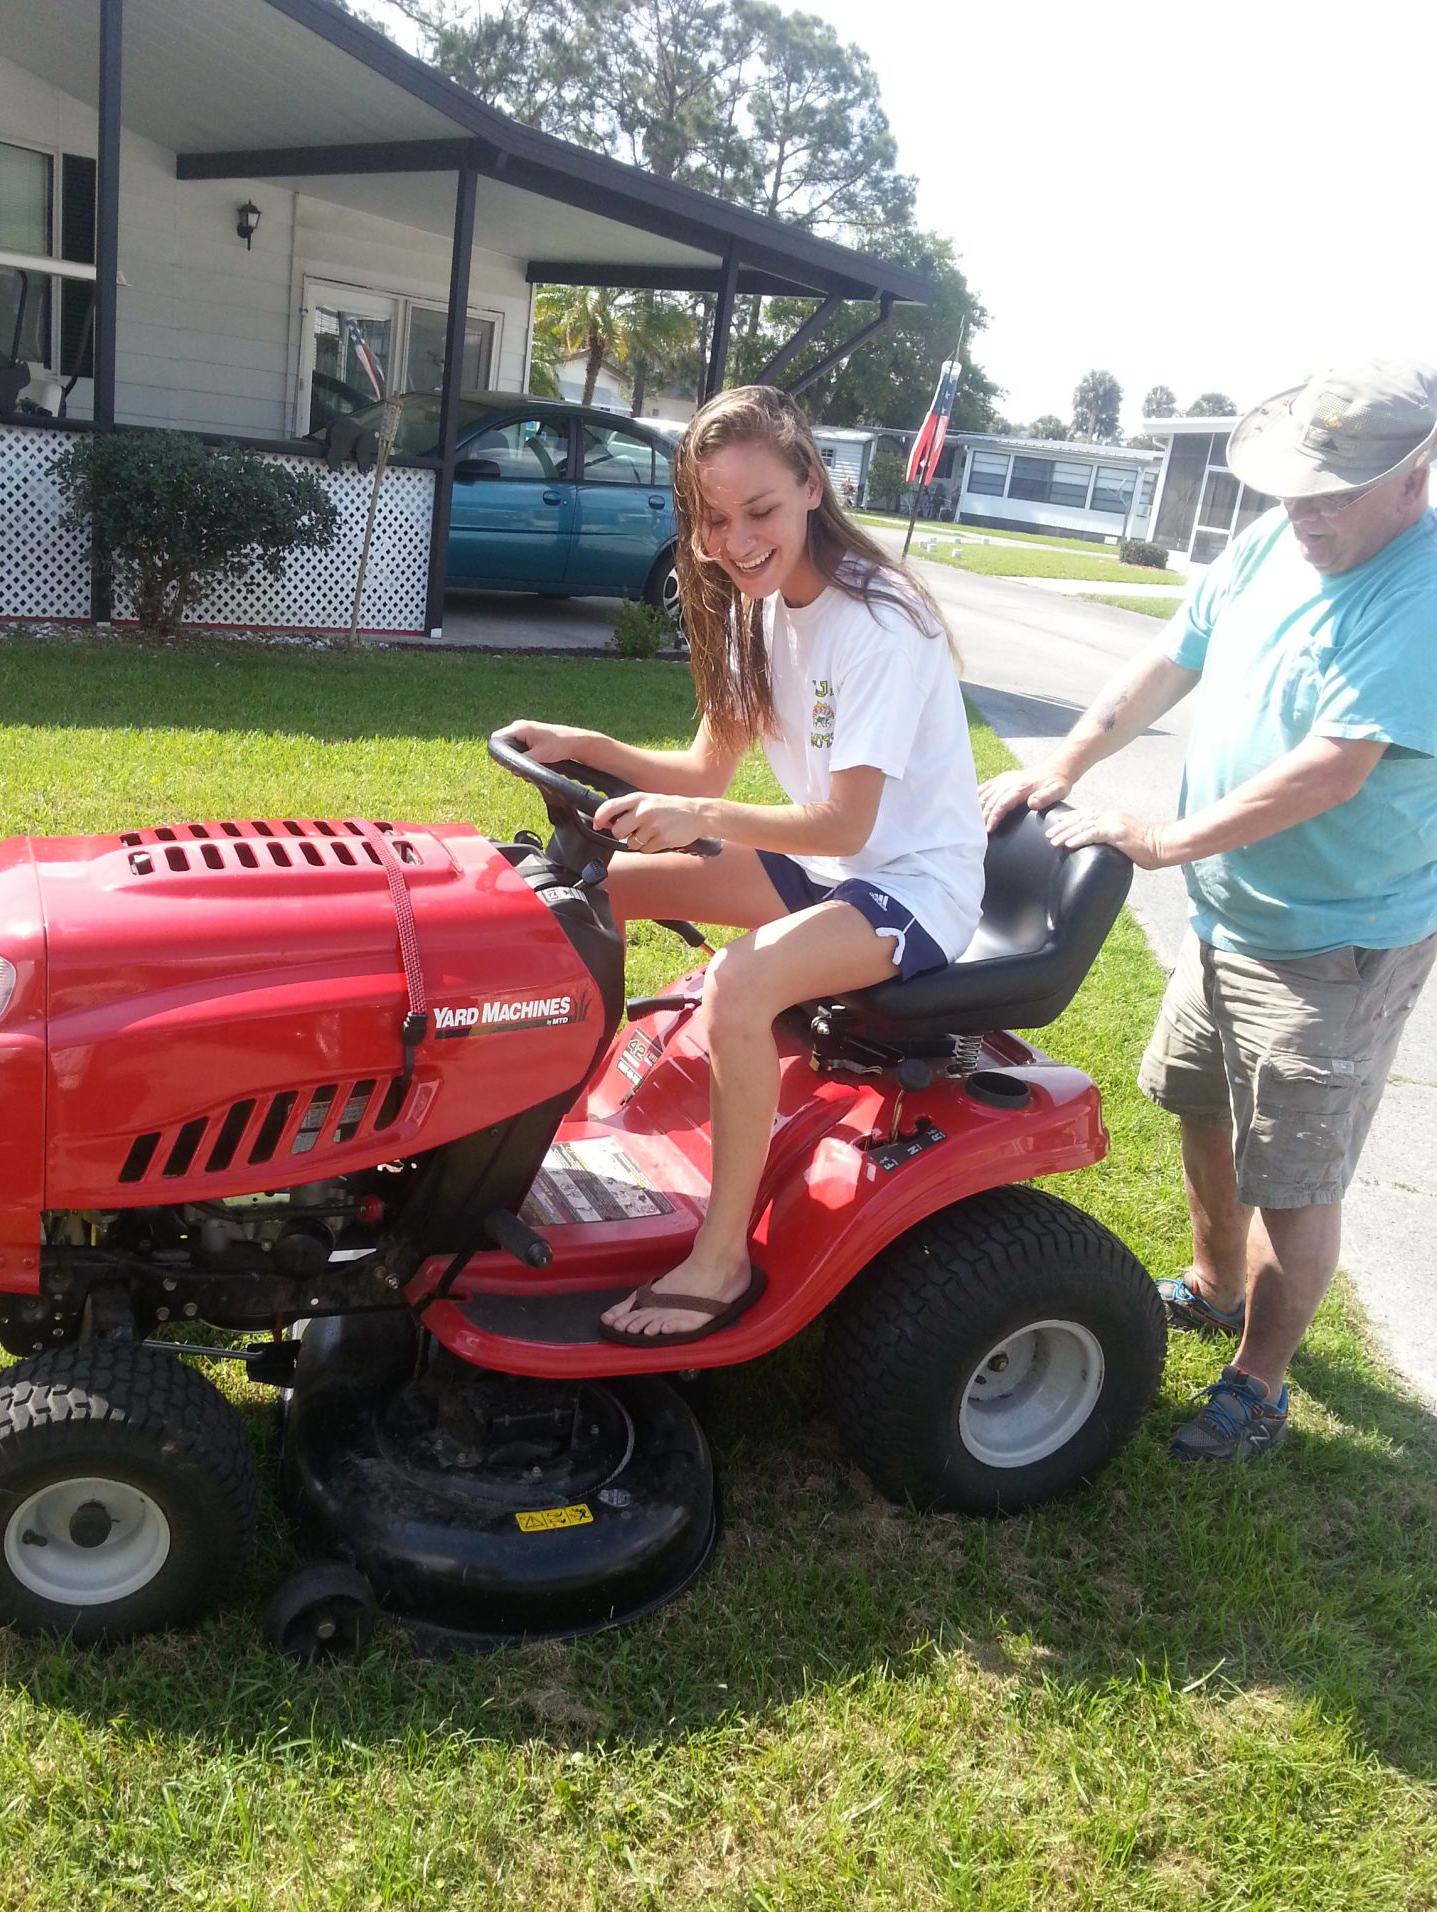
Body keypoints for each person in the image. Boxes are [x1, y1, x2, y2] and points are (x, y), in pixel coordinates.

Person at [979, 358, 1437, 1461]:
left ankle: (1259, 1384)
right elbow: (1170, 658)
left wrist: (1165, 842)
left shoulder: (1420, 593)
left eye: (1333, 491)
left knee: (1297, 1175)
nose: (1305, 510)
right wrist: (1071, 758)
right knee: (1198, 1101)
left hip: (1334, 940)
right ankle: (1214, 1283)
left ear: (1415, 478)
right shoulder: (1278, 540)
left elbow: (1333, 769)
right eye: (1294, 485)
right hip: (1234, 915)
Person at [500, 383, 986, 1345]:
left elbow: (846, 824)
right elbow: (703, 769)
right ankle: (522, 1148)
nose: (736, 539)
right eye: (715, 519)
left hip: (909, 887)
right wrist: (585, 741)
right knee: (580, 894)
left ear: (813, 483)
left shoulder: (880, 625)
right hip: (825, 864)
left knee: (739, 986)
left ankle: (719, 1261)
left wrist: (701, 817)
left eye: (759, 511)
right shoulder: (757, 606)